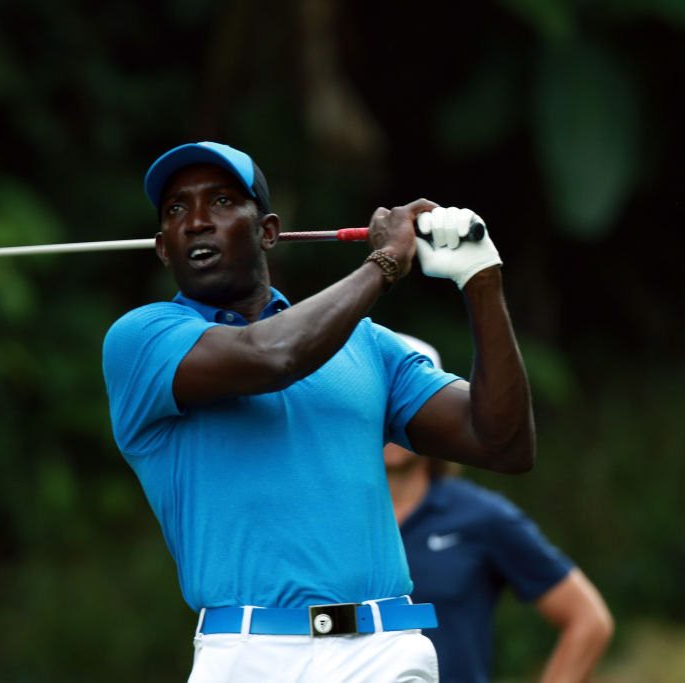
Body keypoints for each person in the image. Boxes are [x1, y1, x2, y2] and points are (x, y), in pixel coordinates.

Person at [101, 141, 535, 682]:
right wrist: (383, 263)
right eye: (175, 209)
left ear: (267, 231)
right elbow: (271, 356)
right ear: (163, 248)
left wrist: (481, 280)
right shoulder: (142, 340)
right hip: (246, 654)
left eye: (222, 201)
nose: (197, 222)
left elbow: (503, 443)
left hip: (382, 650)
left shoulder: (365, 344)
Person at [385, 334, 613, 683]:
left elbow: (588, 620)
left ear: (434, 417)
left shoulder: (481, 516)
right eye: (380, 406)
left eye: (405, 405)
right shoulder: (326, 521)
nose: (391, 420)